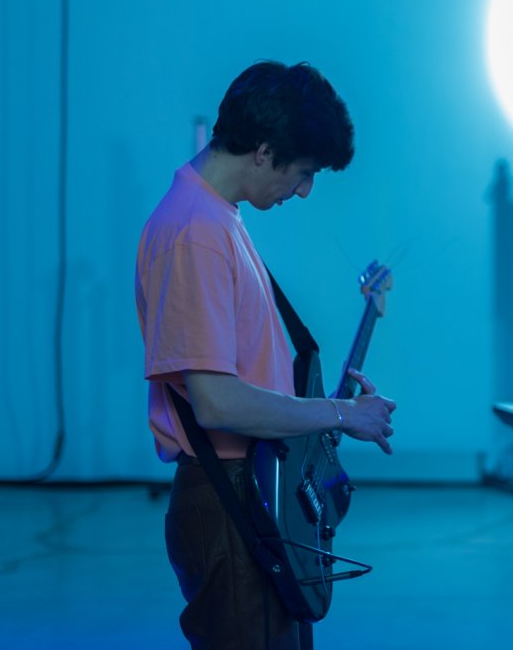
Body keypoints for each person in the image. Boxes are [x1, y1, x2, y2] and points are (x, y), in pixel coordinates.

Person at [135, 60, 398, 650]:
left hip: (253, 490)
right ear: (263, 152)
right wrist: (342, 414)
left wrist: (329, 412)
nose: (304, 190)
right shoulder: (194, 233)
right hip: (230, 498)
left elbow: (249, 380)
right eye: (304, 172)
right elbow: (217, 403)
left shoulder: (217, 220)